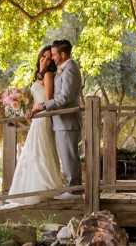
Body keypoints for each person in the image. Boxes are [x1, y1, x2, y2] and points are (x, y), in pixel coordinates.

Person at [5, 46, 64, 207]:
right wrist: (24, 107)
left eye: (48, 57)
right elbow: (37, 99)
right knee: (31, 152)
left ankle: (45, 187)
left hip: (44, 117)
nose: (44, 59)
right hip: (37, 117)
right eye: (42, 57)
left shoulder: (49, 75)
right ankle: (28, 189)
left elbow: (48, 99)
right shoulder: (37, 76)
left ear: (51, 60)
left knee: (41, 149)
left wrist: (36, 109)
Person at [33, 39, 83, 199]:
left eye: (54, 54)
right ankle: (72, 188)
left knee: (69, 157)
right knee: (66, 156)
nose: (52, 58)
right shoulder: (64, 69)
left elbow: (65, 97)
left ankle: (74, 190)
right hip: (61, 121)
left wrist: (44, 105)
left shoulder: (71, 69)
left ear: (63, 54)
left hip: (68, 120)